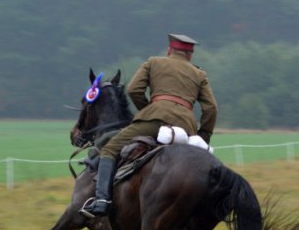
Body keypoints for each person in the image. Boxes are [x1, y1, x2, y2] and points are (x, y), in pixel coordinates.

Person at [82, 34, 218, 217]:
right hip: (186, 128)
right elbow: (211, 109)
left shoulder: (154, 62)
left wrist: (149, 111)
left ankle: (101, 200)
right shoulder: (199, 73)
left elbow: (133, 90)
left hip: (154, 121)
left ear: (170, 50)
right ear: (190, 55)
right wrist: (202, 137)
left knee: (109, 149)